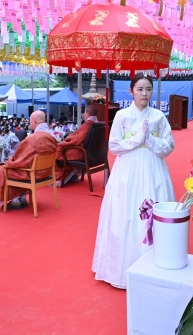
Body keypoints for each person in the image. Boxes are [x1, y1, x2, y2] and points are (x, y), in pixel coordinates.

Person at [92, 73, 175, 289]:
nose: (144, 93)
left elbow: (169, 145)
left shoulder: (158, 116)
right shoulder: (121, 115)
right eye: (139, 89)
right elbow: (114, 146)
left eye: (148, 89)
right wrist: (138, 139)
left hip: (153, 168)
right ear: (131, 91)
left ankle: (154, 266)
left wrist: (151, 140)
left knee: (152, 210)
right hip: (127, 169)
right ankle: (119, 268)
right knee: (125, 212)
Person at [0, 110, 57, 209]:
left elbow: (19, 160)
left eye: (30, 120)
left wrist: (9, 161)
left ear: (34, 121)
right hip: (45, 172)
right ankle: (21, 197)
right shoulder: (52, 136)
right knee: (18, 169)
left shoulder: (32, 139)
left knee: (4, 171)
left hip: (33, 173)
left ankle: (15, 200)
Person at [54, 105, 99, 186]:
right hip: (95, 156)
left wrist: (63, 142)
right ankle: (72, 175)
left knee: (59, 150)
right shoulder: (99, 125)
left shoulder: (87, 125)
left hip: (82, 154)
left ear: (87, 114)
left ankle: (63, 177)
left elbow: (74, 139)